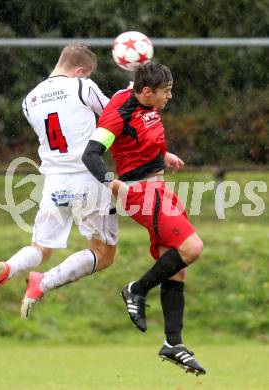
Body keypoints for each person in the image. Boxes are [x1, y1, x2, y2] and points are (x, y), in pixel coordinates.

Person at [0, 44, 118, 320]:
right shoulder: (82, 87)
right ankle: (44, 282)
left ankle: (10, 267)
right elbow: (114, 116)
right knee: (103, 253)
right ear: (79, 71)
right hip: (87, 177)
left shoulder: (29, 100)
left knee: (41, 248)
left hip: (53, 182)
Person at [80, 62, 206, 375]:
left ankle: (173, 344)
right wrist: (113, 182)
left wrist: (162, 156)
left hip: (158, 189)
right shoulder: (118, 112)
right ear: (147, 92)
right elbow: (91, 153)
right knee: (192, 248)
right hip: (140, 193)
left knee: (176, 268)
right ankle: (136, 288)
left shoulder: (143, 101)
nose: (170, 97)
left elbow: (139, 137)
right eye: (167, 91)